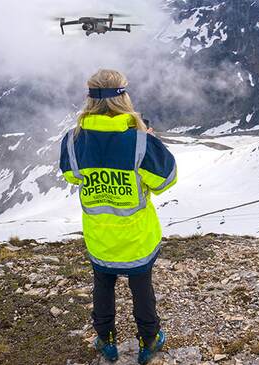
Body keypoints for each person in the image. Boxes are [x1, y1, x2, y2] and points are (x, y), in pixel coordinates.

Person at [59, 69, 177, 364]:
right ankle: (148, 341)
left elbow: (72, 176)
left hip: (99, 236)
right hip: (136, 237)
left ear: (89, 99)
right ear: (124, 97)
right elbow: (166, 180)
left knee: (102, 285)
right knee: (142, 288)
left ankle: (106, 339)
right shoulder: (139, 141)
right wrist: (152, 141)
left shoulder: (74, 140)